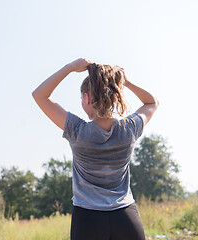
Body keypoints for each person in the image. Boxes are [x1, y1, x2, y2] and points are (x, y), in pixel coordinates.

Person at [32, 58, 159, 240]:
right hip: (125, 216)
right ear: (114, 95)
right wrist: (126, 81)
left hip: (87, 218)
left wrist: (69, 68)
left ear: (86, 97)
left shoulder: (77, 130)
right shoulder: (129, 128)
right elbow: (152, 103)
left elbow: (40, 95)